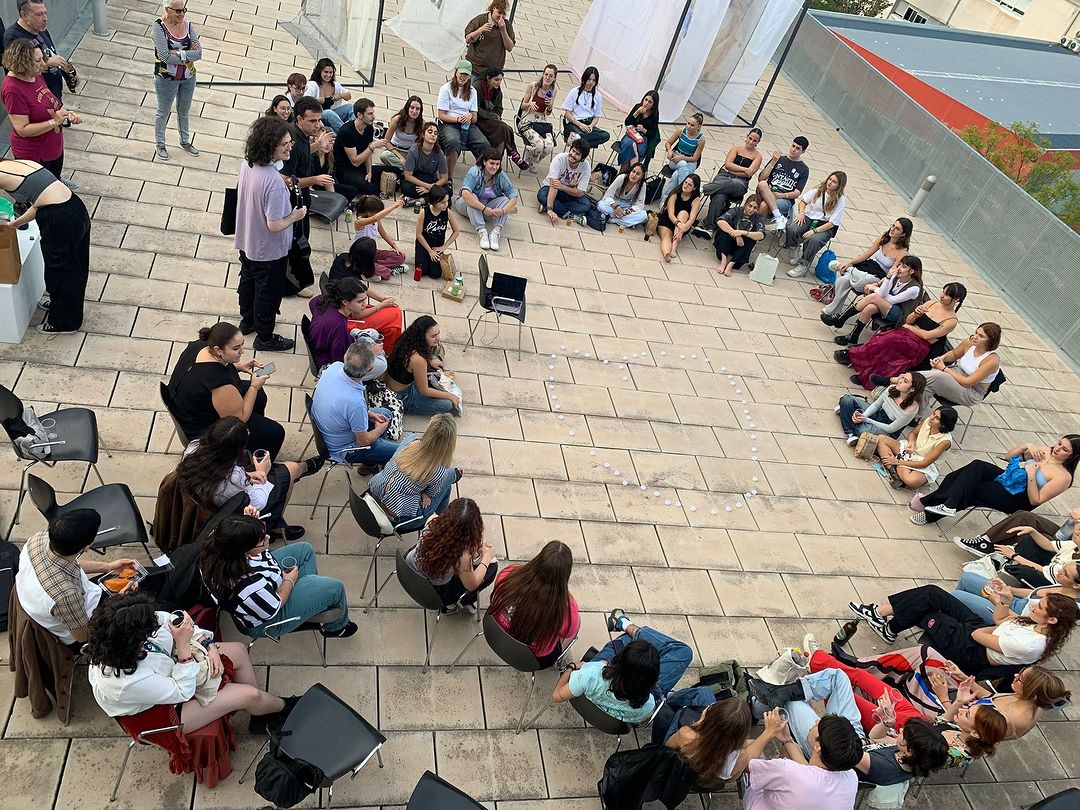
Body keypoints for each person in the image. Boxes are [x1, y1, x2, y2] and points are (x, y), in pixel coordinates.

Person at [86, 592, 296, 734]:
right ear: (134, 641)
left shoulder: (130, 626)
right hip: (160, 711)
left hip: (173, 670)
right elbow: (182, 691)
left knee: (239, 651)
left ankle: (260, 713)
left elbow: (177, 622)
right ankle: (282, 707)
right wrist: (184, 647)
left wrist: (210, 645)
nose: (156, 623)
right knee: (251, 695)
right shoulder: (123, 682)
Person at [746, 667, 949, 786]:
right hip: (855, 738)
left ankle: (754, 708)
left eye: (906, 733)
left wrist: (825, 726)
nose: (901, 730)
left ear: (911, 750)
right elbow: (877, 739)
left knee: (793, 705)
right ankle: (779, 692)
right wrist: (886, 722)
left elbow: (842, 752)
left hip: (833, 751)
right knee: (838, 677)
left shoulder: (882, 767)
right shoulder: (908, 758)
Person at [201, 512, 356, 638]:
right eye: (262, 540)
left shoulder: (218, 545)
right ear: (245, 551)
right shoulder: (249, 587)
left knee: (304, 550)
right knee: (335, 588)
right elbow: (275, 605)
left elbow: (247, 543)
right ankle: (336, 627)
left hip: (264, 586)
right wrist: (289, 581)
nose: (268, 538)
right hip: (268, 618)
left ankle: (311, 605)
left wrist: (250, 524)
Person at [849, 586, 1079, 671]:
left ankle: (886, 624)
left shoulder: (1031, 643)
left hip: (971, 650)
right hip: (984, 632)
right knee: (933, 594)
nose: (1033, 608)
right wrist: (1005, 601)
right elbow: (1000, 620)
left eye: (1040, 608)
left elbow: (979, 635)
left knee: (929, 613)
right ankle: (880, 615)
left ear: (1052, 621)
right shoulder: (1035, 623)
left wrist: (1006, 622)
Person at [14, 509, 137, 645]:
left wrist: (107, 567)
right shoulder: (66, 595)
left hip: (62, 602)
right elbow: (83, 636)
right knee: (142, 606)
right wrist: (119, 600)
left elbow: (68, 563)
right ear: (86, 547)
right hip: (81, 624)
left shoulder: (38, 540)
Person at [234, 115, 305, 351]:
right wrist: (295, 216)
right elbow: (274, 224)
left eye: (289, 143)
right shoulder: (274, 182)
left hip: (247, 238)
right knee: (268, 292)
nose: (289, 148)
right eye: (284, 144)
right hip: (268, 249)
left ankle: (248, 320)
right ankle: (264, 336)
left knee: (248, 281)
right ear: (269, 146)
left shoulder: (247, 164)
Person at [177, 416, 314, 537]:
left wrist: (248, 475)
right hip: (230, 511)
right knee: (290, 470)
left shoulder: (193, 448)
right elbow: (259, 504)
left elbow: (215, 472)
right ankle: (275, 526)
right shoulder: (234, 478)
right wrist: (262, 472)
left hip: (206, 499)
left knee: (286, 470)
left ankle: (305, 467)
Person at [167, 322, 285, 457]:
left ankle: (251, 440)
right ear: (218, 350)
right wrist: (254, 386)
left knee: (259, 396)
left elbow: (209, 371)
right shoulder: (220, 384)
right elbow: (239, 418)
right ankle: (257, 463)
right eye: (236, 348)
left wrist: (239, 366)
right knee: (275, 432)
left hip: (187, 403)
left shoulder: (202, 346)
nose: (242, 351)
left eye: (242, 344)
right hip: (202, 426)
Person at [552, 609, 692, 723]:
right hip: (621, 715)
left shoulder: (592, 673)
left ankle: (624, 624)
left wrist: (571, 667)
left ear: (618, 660)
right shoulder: (648, 704)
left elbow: (557, 696)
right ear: (653, 679)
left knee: (629, 641)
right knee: (683, 652)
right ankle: (624, 624)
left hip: (597, 686)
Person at [0, 158, 91, 335]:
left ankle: (64, 323)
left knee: (61, 270)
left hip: (59, 219)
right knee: (73, 264)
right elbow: (40, 201)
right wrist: (15, 224)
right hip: (74, 208)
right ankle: (60, 306)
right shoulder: (19, 165)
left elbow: (44, 204)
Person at [909, 434, 1079, 524]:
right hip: (1009, 479)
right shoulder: (1044, 450)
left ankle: (930, 508)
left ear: (1073, 456)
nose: (1058, 449)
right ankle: (946, 505)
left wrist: (1032, 475)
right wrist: (1026, 446)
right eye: (1059, 443)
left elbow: (1035, 500)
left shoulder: (1063, 477)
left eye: (1065, 450)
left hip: (1019, 498)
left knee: (974, 487)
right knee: (975, 467)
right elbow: (1008, 457)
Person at [838, 282, 965, 390]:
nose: (942, 296)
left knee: (890, 340)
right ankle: (858, 359)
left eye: (947, 295)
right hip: (907, 334)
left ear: (956, 300)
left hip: (920, 346)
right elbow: (909, 321)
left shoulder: (951, 321)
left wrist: (911, 328)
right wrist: (915, 314)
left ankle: (855, 356)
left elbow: (927, 336)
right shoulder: (931, 303)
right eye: (943, 292)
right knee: (883, 338)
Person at [740, 710, 861, 808]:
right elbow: (809, 773)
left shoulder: (787, 771)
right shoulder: (851, 778)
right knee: (788, 750)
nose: (817, 721)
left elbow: (741, 766)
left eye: (820, 725)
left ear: (818, 746)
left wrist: (768, 732)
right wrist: (787, 739)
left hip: (757, 802)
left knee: (749, 746)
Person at [489, 541, 580, 666]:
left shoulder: (509, 574)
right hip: (531, 658)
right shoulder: (568, 611)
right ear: (565, 575)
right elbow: (567, 633)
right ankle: (559, 659)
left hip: (495, 632)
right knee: (576, 624)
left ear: (538, 560)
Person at [1, 39, 81, 182]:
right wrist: (54, 121)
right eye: (37, 61)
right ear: (22, 63)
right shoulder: (13, 89)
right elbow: (22, 129)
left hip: (52, 147)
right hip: (35, 155)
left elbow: (48, 102)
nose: (44, 64)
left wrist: (65, 114)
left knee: (55, 183)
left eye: (42, 58)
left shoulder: (34, 75)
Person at [281, 96, 336, 298]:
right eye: (313, 121)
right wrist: (315, 179)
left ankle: (296, 281)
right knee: (296, 244)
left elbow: (304, 152)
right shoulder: (292, 141)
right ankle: (291, 285)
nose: (318, 125)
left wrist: (317, 146)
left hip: (302, 200)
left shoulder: (302, 138)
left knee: (301, 242)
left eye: (319, 120)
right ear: (299, 119)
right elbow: (285, 179)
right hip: (293, 203)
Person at [311, 342, 400, 466]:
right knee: (402, 451)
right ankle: (375, 466)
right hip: (345, 450)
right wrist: (379, 430)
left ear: (345, 357)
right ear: (369, 370)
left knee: (385, 414)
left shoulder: (334, 367)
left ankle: (371, 463)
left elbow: (343, 407)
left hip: (330, 430)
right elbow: (363, 441)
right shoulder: (355, 403)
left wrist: (368, 413)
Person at [368, 415, 462, 526]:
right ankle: (443, 521)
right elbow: (431, 493)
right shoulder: (439, 471)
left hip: (374, 493)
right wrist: (425, 493)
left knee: (445, 479)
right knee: (447, 480)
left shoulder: (410, 439)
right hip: (397, 517)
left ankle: (453, 479)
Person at [406, 497, 495, 612]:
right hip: (435, 592)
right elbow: (471, 585)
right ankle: (462, 602)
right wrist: (487, 557)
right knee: (492, 568)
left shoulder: (433, 520)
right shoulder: (463, 557)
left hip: (411, 566)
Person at [820, 218, 913, 321]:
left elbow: (892, 275)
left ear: (903, 234)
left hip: (880, 278)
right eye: (893, 226)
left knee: (864, 280)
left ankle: (849, 271)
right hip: (869, 268)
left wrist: (878, 284)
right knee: (844, 280)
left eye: (897, 229)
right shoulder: (884, 238)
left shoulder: (902, 253)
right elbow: (866, 254)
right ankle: (834, 312)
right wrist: (849, 262)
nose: (892, 229)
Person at [658, 695, 753, 788]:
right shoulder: (741, 757)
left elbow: (666, 747)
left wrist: (699, 723)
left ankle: (669, 700)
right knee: (704, 694)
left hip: (674, 773)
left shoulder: (686, 734)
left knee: (686, 708)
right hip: (700, 784)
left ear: (710, 718)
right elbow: (729, 781)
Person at [953, 507, 1080, 575]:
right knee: (1026, 518)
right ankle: (986, 542)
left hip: (1059, 565)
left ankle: (1000, 554)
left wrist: (1015, 555)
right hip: (1068, 539)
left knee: (1028, 539)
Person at [830, 256, 925, 347]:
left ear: (912, 271)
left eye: (904, 267)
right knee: (869, 307)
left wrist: (875, 288)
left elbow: (891, 300)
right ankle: (853, 337)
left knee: (874, 297)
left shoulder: (914, 288)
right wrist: (888, 278)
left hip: (900, 315)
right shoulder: (895, 276)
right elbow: (883, 294)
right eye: (899, 265)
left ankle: (841, 319)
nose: (899, 268)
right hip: (886, 306)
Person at [308, 276, 403, 364]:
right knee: (381, 364)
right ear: (345, 302)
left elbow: (311, 303)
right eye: (360, 302)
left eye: (365, 300)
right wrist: (370, 353)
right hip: (327, 361)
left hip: (320, 346)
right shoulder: (339, 325)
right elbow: (341, 360)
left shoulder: (323, 299)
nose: (364, 305)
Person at [151, 0, 201, 161]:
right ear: (167, 9)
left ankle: (185, 141)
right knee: (163, 112)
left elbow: (199, 53)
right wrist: (187, 53)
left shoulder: (188, 25)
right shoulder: (159, 27)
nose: (182, 14)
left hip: (188, 77)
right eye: (178, 11)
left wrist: (179, 53)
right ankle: (160, 144)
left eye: (183, 10)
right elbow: (164, 56)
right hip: (166, 78)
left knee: (184, 111)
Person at [951, 565, 1080, 626]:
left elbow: (1033, 626)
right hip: (1015, 602)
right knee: (967, 578)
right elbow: (1033, 593)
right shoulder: (1062, 585)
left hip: (1013, 618)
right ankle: (959, 613)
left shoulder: (1069, 607)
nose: (1058, 571)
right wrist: (1008, 589)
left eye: (1065, 573)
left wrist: (1000, 602)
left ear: (1076, 585)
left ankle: (958, 617)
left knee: (957, 596)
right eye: (1063, 568)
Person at [916, 323, 1003, 410]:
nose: (975, 336)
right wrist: (941, 358)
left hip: (971, 391)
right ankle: (915, 417)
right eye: (976, 332)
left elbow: (967, 382)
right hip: (956, 374)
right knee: (926, 386)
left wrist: (943, 368)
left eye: (981, 336)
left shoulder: (992, 360)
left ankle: (910, 377)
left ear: (990, 341)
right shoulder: (969, 342)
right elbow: (954, 354)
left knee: (937, 377)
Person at [383, 315, 461, 414]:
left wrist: (429, 360)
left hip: (398, 379)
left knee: (436, 352)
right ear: (421, 337)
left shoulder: (406, 339)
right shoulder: (418, 359)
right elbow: (424, 390)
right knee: (447, 404)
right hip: (401, 395)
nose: (438, 338)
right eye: (433, 336)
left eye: (438, 334)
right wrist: (450, 396)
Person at [697, 129, 763, 239]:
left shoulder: (758, 156)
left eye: (754, 141)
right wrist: (742, 170)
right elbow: (727, 165)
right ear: (747, 136)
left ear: (758, 142)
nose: (751, 142)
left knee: (735, 182)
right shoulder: (736, 148)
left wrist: (733, 170)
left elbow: (749, 172)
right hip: (724, 176)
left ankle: (704, 189)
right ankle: (709, 227)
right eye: (750, 138)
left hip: (740, 183)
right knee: (719, 196)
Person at [4, 0, 74, 104]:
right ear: (24, 15)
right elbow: (16, 72)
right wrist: (48, 62)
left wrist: (67, 72)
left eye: (45, 13)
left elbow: (50, 53)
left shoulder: (39, 28)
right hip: (35, 101)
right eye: (39, 15)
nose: (45, 19)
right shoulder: (13, 37)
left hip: (53, 95)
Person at [782, 170, 847, 278]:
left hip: (825, 225)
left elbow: (832, 223)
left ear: (839, 185)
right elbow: (803, 201)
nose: (830, 183)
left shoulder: (840, 200)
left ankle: (804, 264)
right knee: (792, 228)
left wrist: (814, 231)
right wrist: (801, 212)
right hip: (810, 217)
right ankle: (793, 247)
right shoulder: (818, 191)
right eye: (830, 179)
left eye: (834, 182)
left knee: (814, 239)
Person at [872, 408, 957, 489]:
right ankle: (895, 471)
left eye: (937, 418)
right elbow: (913, 434)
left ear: (944, 424)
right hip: (910, 452)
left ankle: (893, 466)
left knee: (912, 480)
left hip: (924, 463)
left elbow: (924, 463)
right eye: (933, 414)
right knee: (881, 439)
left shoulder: (945, 441)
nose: (932, 418)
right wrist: (911, 442)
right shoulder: (928, 421)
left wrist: (897, 461)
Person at [454, 147, 519, 251]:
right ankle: (481, 230)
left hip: (488, 210)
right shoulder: (475, 172)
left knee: (505, 200)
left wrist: (502, 210)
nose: (494, 167)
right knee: (472, 196)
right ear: (484, 162)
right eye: (492, 163)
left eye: (497, 164)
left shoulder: (501, 176)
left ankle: (496, 231)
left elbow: (513, 197)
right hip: (466, 206)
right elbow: (465, 193)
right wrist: (484, 208)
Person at [836, 371, 925, 445]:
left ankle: (849, 428)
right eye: (902, 377)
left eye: (905, 381)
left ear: (912, 389)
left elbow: (891, 429)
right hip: (879, 414)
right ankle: (850, 429)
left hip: (887, 430)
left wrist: (867, 420)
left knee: (863, 430)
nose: (900, 381)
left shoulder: (911, 409)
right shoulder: (892, 388)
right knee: (847, 399)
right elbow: (876, 405)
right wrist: (863, 416)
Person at [437, 61, 490, 182]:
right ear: (456, 73)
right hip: (449, 122)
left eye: (466, 75)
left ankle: (480, 176)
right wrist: (457, 119)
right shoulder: (446, 89)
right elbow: (441, 115)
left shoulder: (472, 91)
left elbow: (475, 118)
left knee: (484, 144)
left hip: (467, 124)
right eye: (461, 74)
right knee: (453, 141)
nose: (463, 77)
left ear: (469, 76)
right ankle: (448, 177)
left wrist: (470, 116)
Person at [475, 67, 530, 171]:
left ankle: (500, 161)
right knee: (504, 128)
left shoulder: (497, 91)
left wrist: (495, 115)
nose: (498, 83)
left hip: (491, 120)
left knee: (503, 131)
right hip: (478, 119)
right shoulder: (478, 87)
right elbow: (475, 108)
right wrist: (492, 116)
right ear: (488, 78)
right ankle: (513, 153)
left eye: (500, 80)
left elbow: (499, 108)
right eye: (496, 80)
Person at [333, 97, 386, 197]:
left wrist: (369, 172)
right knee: (372, 189)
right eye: (370, 114)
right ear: (359, 115)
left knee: (394, 170)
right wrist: (372, 147)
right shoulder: (347, 132)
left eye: (373, 113)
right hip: (346, 170)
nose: (373, 117)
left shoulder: (369, 128)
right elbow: (355, 162)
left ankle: (372, 180)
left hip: (361, 167)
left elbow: (368, 154)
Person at [755, 135, 810, 230]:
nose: (793, 150)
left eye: (797, 148)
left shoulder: (804, 169)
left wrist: (781, 195)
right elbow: (761, 178)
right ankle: (776, 219)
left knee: (764, 205)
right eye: (793, 146)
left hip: (784, 199)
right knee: (762, 184)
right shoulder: (779, 159)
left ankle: (755, 229)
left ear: (803, 151)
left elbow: (797, 193)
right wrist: (773, 162)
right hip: (767, 191)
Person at [351, 195, 407, 280]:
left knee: (401, 256)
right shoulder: (359, 222)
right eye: (378, 212)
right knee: (386, 274)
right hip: (361, 255)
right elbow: (375, 218)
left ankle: (371, 268)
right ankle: (385, 270)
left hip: (373, 252)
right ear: (369, 212)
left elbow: (384, 234)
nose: (380, 215)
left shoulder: (376, 222)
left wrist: (395, 247)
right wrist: (394, 206)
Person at [538, 139, 592, 225]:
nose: (573, 155)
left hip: (568, 193)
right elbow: (553, 187)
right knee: (542, 195)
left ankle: (552, 205)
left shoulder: (586, 167)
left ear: (582, 158)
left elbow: (580, 193)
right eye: (573, 151)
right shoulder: (559, 159)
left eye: (577, 154)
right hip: (550, 189)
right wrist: (550, 210)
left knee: (586, 205)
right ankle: (571, 216)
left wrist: (562, 187)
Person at [713, 193, 765, 276]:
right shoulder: (737, 210)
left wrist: (743, 233)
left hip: (742, 246)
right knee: (726, 227)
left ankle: (730, 265)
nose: (751, 210)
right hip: (728, 242)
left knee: (753, 238)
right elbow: (720, 221)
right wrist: (736, 234)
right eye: (750, 206)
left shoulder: (758, 217)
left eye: (755, 208)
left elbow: (761, 235)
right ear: (746, 204)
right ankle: (724, 261)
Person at [517, 64, 559, 165]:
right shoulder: (533, 86)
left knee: (549, 146)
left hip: (542, 121)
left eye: (551, 76)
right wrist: (529, 104)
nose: (547, 78)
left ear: (554, 78)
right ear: (543, 74)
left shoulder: (553, 90)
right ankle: (529, 160)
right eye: (546, 74)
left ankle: (532, 160)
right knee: (539, 145)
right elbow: (522, 106)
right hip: (528, 119)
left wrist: (549, 107)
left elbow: (548, 113)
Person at [659, 113, 706, 201]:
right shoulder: (681, 131)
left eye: (692, 125)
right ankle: (685, 192)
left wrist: (681, 158)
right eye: (688, 123)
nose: (689, 126)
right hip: (675, 158)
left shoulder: (701, 139)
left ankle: (665, 200)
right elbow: (668, 143)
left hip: (690, 161)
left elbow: (695, 158)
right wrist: (669, 151)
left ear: (698, 126)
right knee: (682, 165)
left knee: (676, 175)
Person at [657, 174, 703, 263]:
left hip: (684, 223)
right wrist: (679, 225)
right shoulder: (675, 194)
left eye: (689, 185)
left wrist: (682, 229)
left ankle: (674, 247)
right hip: (668, 220)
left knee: (684, 213)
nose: (686, 185)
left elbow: (692, 219)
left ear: (694, 188)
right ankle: (666, 253)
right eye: (685, 182)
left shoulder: (696, 199)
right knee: (666, 236)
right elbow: (671, 215)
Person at [415, 185, 459, 279]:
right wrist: (429, 251)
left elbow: (456, 231)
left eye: (447, 201)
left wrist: (443, 247)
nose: (446, 204)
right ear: (434, 202)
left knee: (435, 274)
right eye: (442, 202)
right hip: (424, 245)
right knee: (421, 271)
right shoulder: (424, 212)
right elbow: (418, 234)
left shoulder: (447, 212)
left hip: (437, 246)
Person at [464, 0, 515, 80]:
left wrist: (503, 30)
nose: (501, 17)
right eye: (499, 12)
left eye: (504, 14)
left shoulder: (506, 25)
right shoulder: (480, 20)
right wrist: (480, 30)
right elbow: (468, 39)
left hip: (492, 73)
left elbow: (509, 47)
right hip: (475, 68)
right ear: (493, 8)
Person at [560, 66, 609, 149]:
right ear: (584, 78)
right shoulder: (574, 92)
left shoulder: (598, 96)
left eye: (593, 80)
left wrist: (591, 126)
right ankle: (581, 144)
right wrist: (580, 125)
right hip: (574, 123)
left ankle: (577, 140)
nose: (591, 82)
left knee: (606, 135)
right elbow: (567, 114)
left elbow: (596, 117)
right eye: (589, 79)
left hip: (588, 124)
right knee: (581, 135)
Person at [402, 121, 452, 200]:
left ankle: (422, 199)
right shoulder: (414, 150)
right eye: (430, 132)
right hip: (416, 179)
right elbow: (408, 176)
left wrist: (431, 187)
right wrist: (427, 186)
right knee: (406, 188)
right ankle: (429, 198)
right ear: (423, 134)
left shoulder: (439, 153)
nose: (433, 135)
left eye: (435, 133)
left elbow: (445, 178)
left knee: (448, 190)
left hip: (431, 180)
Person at [303, 57, 353, 133]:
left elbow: (349, 96)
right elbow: (304, 101)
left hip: (334, 115)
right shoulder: (313, 85)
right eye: (326, 72)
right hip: (318, 116)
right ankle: (346, 135)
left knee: (352, 107)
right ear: (320, 72)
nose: (328, 75)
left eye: (331, 72)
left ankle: (354, 130)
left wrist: (341, 95)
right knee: (328, 113)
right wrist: (316, 100)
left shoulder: (335, 85)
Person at [615, 90, 660, 173]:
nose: (646, 103)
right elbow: (627, 122)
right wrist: (636, 113)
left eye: (650, 102)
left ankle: (623, 175)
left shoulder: (654, 115)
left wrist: (644, 130)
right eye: (645, 100)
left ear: (654, 104)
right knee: (629, 145)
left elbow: (653, 134)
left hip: (642, 138)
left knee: (634, 149)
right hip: (631, 134)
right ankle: (629, 175)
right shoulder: (637, 107)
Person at [380, 95, 424, 171]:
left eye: (417, 109)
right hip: (395, 149)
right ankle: (407, 170)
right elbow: (386, 142)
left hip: (410, 152)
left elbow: (421, 145)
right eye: (412, 107)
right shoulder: (397, 119)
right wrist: (400, 157)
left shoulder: (422, 124)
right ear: (407, 108)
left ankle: (403, 169)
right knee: (385, 156)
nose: (414, 111)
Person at [597, 164, 647, 230]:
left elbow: (640, 204)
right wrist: (616, 207)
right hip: (614, 202)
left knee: (643, 216)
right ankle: (627, 222)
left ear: (641, 176)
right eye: (633, 171)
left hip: (628, 205)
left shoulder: (642, 185)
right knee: (601, 205)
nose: (634, 175)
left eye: (638, 174)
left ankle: (613, 220)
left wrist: (626, 212)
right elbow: (607, 195)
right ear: (630, 171)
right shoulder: (621, 178)